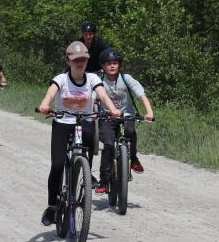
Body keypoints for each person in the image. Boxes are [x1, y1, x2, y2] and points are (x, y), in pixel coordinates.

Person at [37, 41, 122, 226]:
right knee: (57, 165)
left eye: (83, 59)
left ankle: (85, 175)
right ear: (68, 61)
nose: (80, 63)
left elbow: (103, 95)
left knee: (89, 141)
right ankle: (52, 207)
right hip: (62, 122)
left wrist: (113, 109)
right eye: (75, 59)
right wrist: (45, 104)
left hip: (84, 121)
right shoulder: (61, 79)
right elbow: (51, 93)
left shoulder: (92, 78)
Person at [96, 48, 155, 193]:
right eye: (108, 63)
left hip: (126, 115)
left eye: (115, 63)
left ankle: (133, 159)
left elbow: (141, 95)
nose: (112, 66)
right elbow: (92, 97)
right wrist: (92, 113)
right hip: (107, 117)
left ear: (119, 64)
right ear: (103, 66)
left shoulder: (126, 78)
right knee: (108, 145)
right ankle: (104, 181)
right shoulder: (99, 80)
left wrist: (149, 112)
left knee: (130, 132)